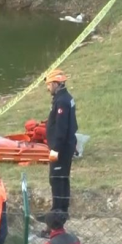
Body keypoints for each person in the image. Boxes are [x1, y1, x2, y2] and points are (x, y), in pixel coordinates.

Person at [44, 69, 78, 213]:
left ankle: (57, 214)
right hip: (67, 145)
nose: (48, 88)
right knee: (63, 178)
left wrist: (55, 150)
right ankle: (62, 210)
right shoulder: (66, 98)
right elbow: (73, 124)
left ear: (56, 84)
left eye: (49, 84)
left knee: (57, 180)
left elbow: (61, 128)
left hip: (60, 149)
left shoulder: (62, 101)